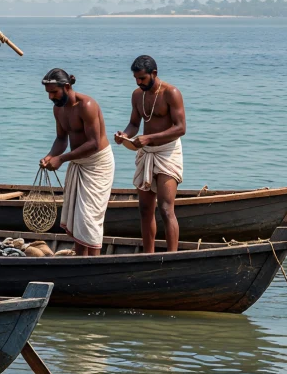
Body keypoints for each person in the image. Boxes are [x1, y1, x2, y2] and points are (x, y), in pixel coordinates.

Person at [40, 68, 114, 256]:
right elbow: (61, 139)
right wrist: (50, 156)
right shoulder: (58, 109)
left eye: (54, 92)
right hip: (77, 161)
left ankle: (94, 263)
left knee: (89, 217)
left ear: (66, 87)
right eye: (48, 93)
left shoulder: (87, 105)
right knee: (77, 216)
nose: (50, 97)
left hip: (98, 164)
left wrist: (61, 159)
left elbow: (94, 144)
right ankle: (80, 259)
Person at [117, 55, 186, 253]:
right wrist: (124, 135)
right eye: (136, 79)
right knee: (145, 210)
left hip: (167, 152)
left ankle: (172, 257)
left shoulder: (171, 93)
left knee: (165, 208)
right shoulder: (137, 95)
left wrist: (149, 138)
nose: (139, 83)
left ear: (154, 74)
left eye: (143, 79)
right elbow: (134, 124)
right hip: (147, 152)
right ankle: (149, 256)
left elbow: (181, 128)